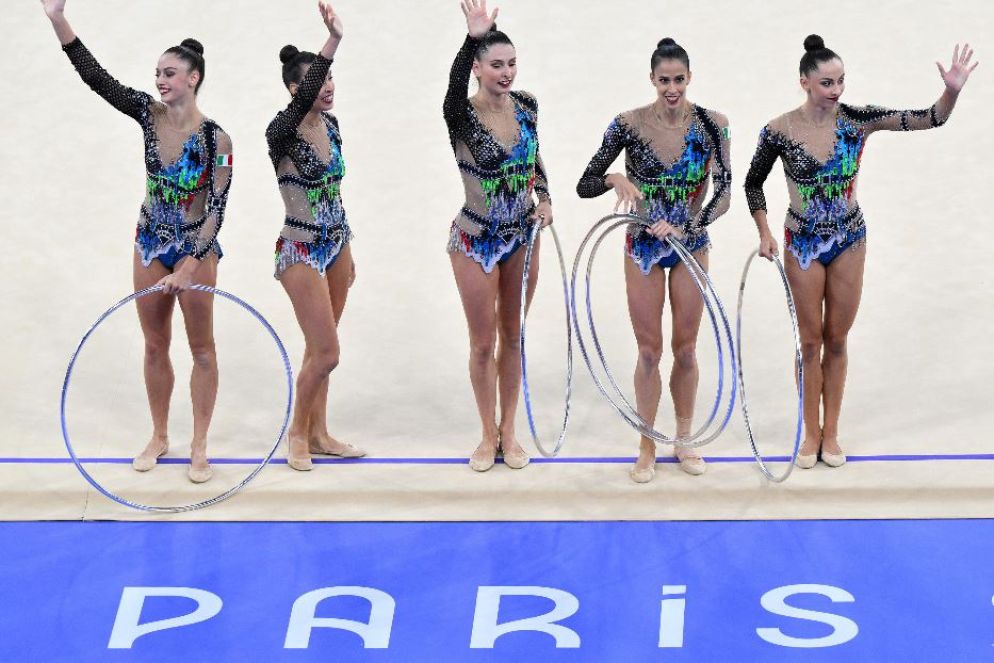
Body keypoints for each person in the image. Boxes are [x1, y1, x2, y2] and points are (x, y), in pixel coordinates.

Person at [743, 35, 978, 468]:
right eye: (827, 83)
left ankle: (831, 432)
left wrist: (951, 92)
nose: (836, 90)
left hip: (849, 239)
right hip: (803, 241)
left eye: (841, 81)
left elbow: (929, 119)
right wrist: (764, 232)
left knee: (836, 339)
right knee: (809, 341)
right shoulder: (779, 130)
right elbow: (752, 183)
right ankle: (810, 432)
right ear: (805, 82)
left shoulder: (858, 119)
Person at [43, 0, 233, 483]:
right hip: (149, 243)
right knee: (153, 346)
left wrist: (191, 264)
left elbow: (217, 208)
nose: (160, 81)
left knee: (202, 349)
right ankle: (159, 434)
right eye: (157, 74)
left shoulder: (218, 140)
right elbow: (97, 78)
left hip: (195, 247)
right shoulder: (148, 115)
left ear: (193, 78)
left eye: (169, 73)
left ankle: (200, 444)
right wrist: (59, 20)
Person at [577, 38, 731, 483]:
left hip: (690, 244)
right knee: (649, 351)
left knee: (686, 349)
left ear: (690, 77)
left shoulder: (713, 125)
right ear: (652, 79)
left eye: (679, 79)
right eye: (664, 80)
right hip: (642, 247)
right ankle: (646, 443)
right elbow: (585, 184)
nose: (672, 88)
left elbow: (724, 192)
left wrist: (689, 226)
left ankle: (683, 438)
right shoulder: (628, 124)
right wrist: (614, 177)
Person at [444, 0, 553, 471]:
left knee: (513, 336)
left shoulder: (527, 105)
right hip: (475, 238)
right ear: (477, 68)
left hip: (522, 234)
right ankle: (486, 434)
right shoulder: (460, 114)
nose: (506, 73)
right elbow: (452, 88)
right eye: (496, 65)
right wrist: (470, 38)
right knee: (483, 342)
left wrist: (545, 197)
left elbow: (534, 159)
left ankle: (509, 429)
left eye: (511, 63)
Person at [267, 1, 364, 471]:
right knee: (328, 353)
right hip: (300, 248)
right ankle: (297, 434)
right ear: (295, 89)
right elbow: (299, 101)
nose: (328, 86)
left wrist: (348, 251)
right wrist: (333, 41)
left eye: (330, 78)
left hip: (336, 243)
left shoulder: (333, 125)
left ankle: (320, 433)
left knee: (319, 350)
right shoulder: (280, 131)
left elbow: (334, 191)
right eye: (318, 80)